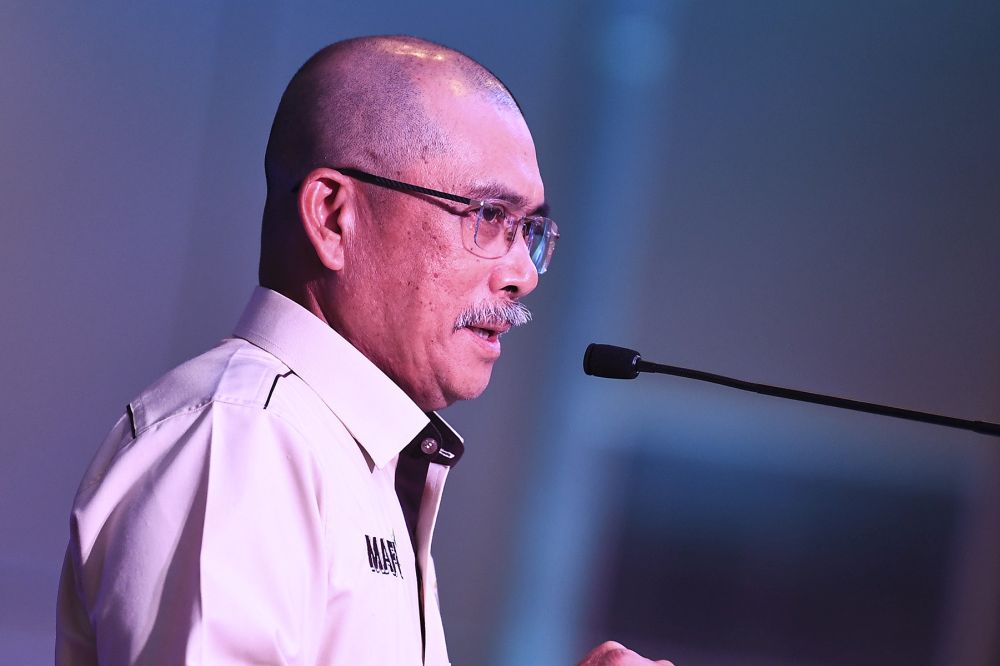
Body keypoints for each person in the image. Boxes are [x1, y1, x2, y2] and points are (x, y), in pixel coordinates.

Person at [55, 35, 671, 666]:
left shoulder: (343, 451)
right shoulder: (245, 437)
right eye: (489, 216)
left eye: (531, 231)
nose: (524, 273)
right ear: (333, 217)